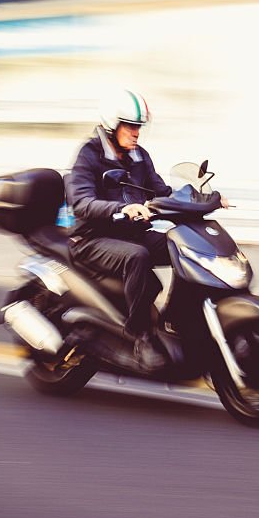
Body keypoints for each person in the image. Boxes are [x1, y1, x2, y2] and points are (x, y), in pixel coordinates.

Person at [66, 89, 173, 371]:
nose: (136, 132)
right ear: (113, 125)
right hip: (91, 239)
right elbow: (81, 202)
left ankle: (180, 320)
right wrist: (120, 209)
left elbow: (162, 192)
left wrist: (202, 198)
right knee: (137, 257)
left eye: (139, 126)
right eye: (130, 125)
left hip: (129, 234)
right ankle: (141, 336)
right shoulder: (89, 155)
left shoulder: (140, 158)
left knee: (179, 246)